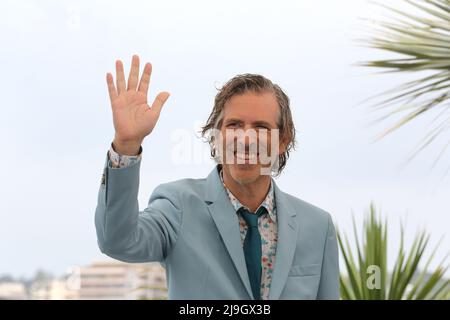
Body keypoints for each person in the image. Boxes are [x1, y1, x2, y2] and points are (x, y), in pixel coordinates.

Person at [95, 55, 339, 300]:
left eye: (261, 128)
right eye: (234, 125)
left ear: (282, 141)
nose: (245, 139)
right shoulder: (177, 207)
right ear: (216, 136)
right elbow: (117, 241)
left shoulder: (318, 227)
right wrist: (126, 145)